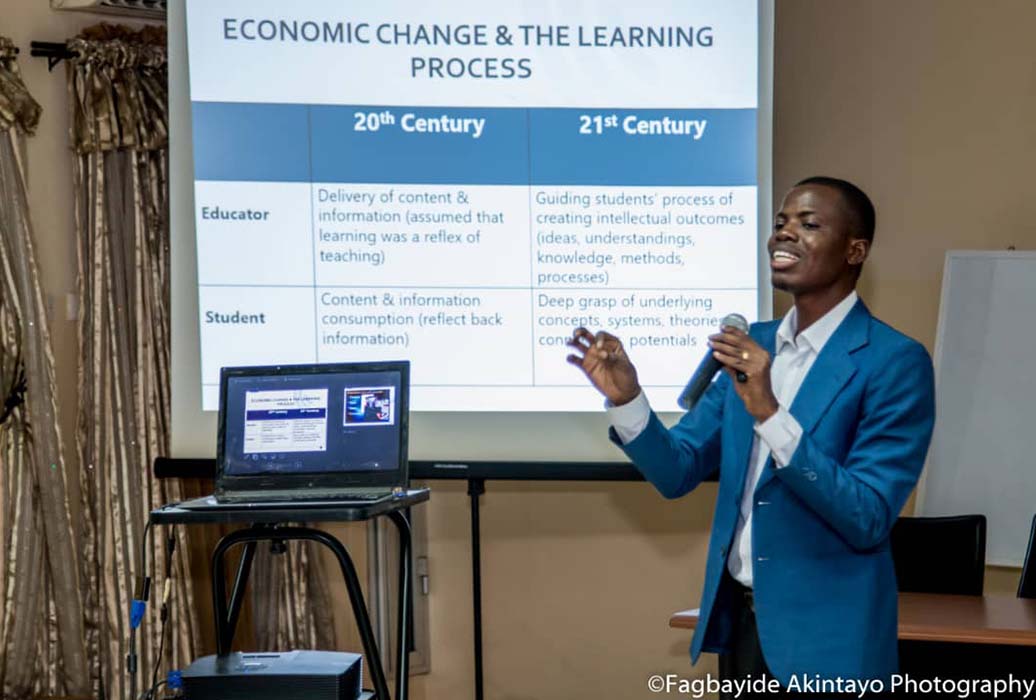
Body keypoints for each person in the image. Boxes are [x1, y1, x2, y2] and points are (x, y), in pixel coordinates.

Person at [567, 177, 935, 691]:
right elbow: (677, 471)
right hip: (742, 629)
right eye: (781, 223)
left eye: (809, 225)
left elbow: (868, 516)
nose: (784, 235)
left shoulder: (893, 361)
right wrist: (628, 399)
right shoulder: (751, 346)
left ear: (856, 250)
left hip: (831, 644)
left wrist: (770, 414)